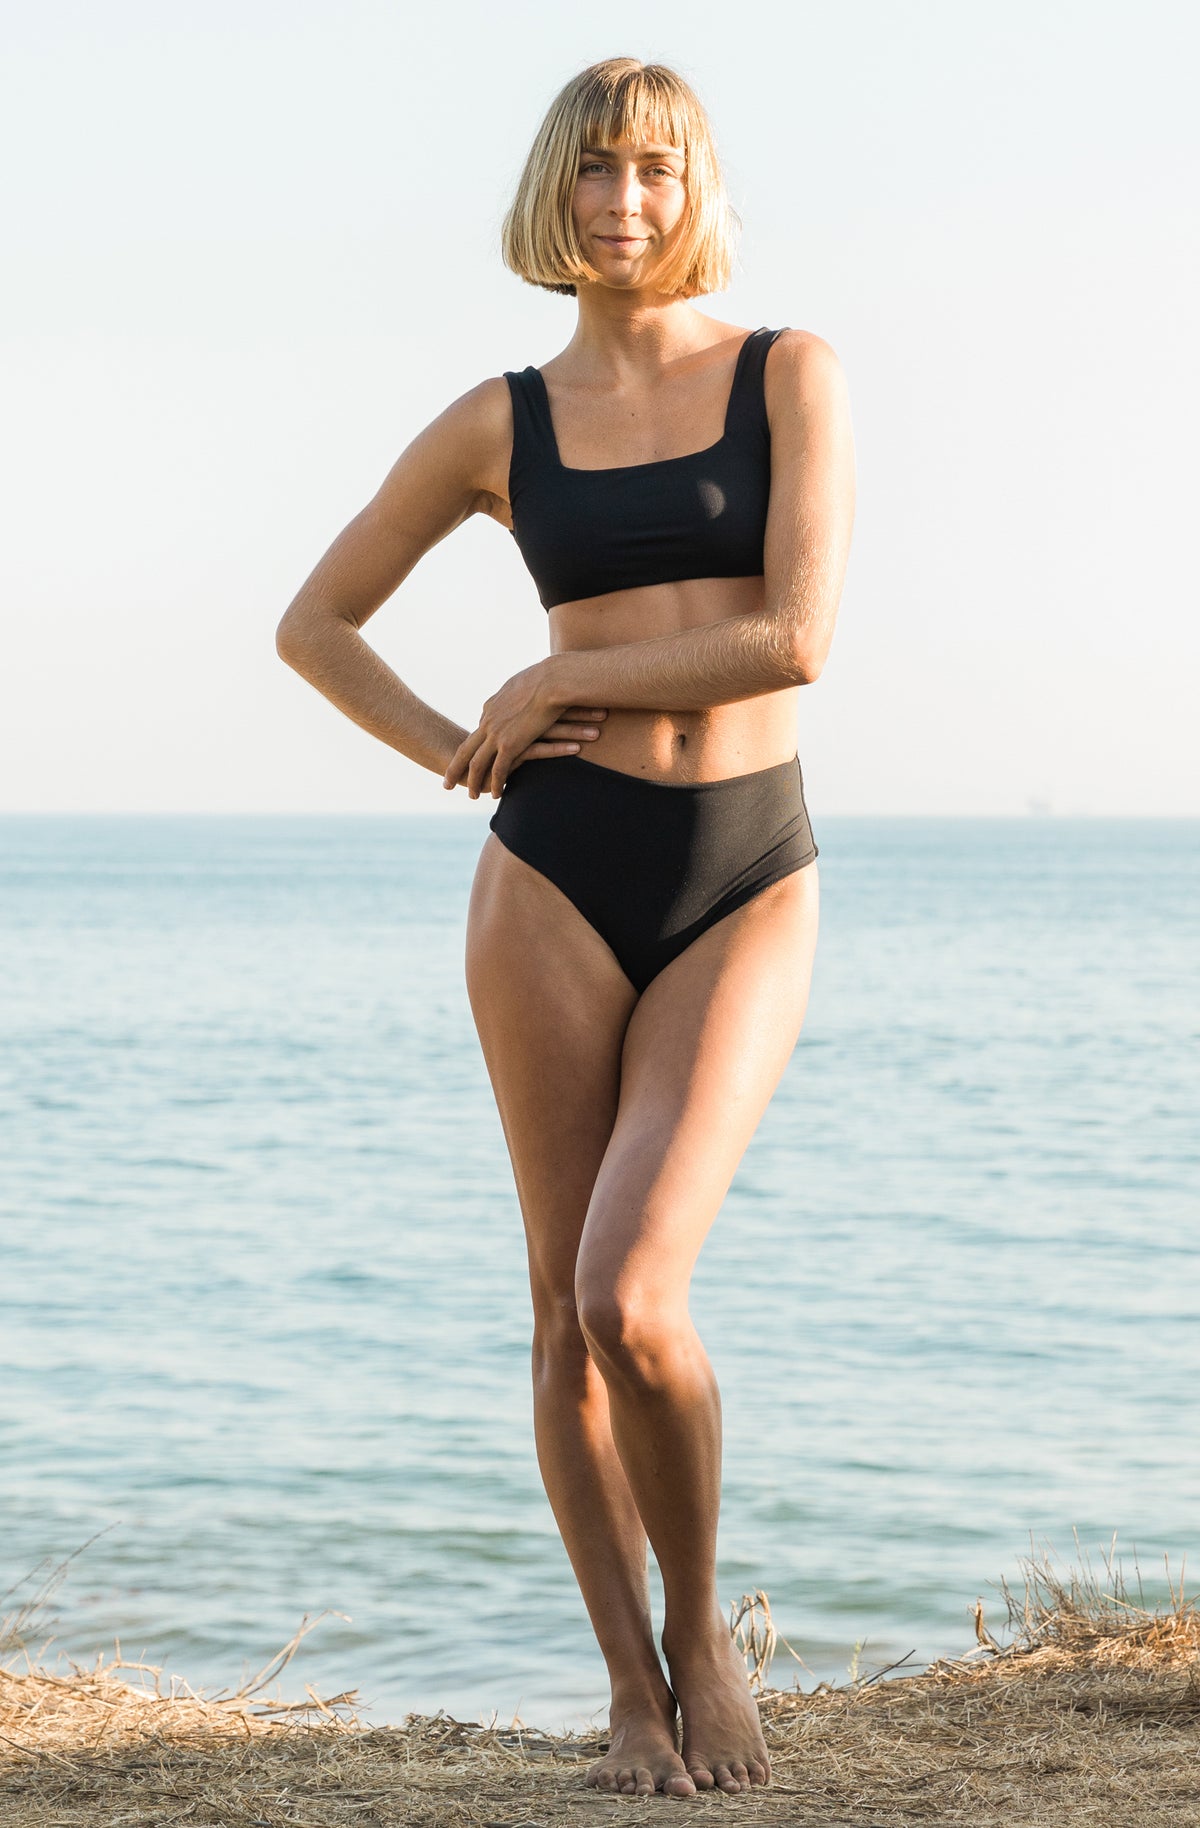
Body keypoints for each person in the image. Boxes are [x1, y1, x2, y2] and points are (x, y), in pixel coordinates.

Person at [275, 55, 855, 1801]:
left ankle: (708, 1648)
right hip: (553, 875)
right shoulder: (496, 421)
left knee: (636, 1293)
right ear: (556, 193)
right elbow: (316, 625)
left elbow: (798, 639)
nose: (625, 201)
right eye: (596, 171)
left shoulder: (789, 374)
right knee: (556, 1307)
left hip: (745, 863)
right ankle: (625, 1692)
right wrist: (468, 746)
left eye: (657, 171)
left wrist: (555, 675)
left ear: (697, 190)